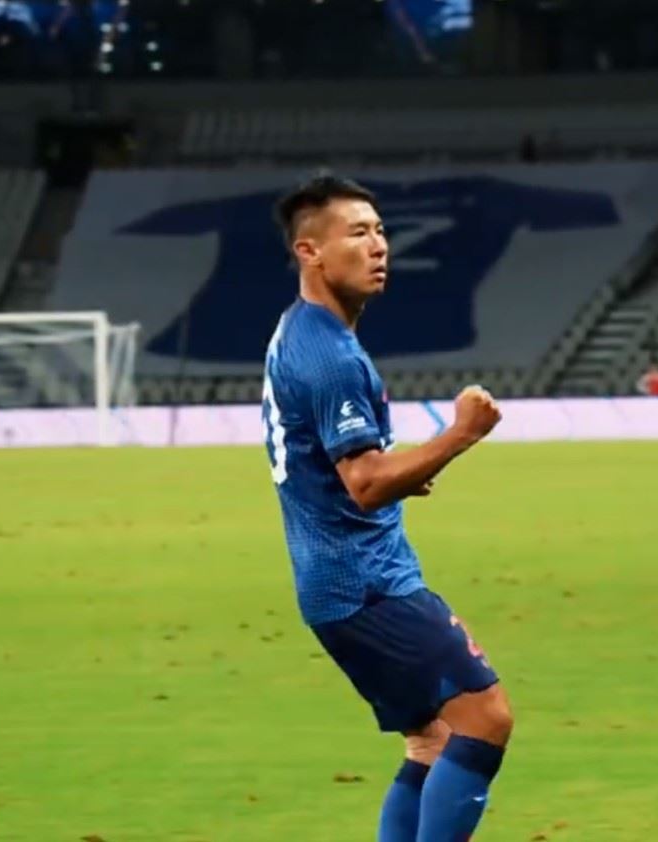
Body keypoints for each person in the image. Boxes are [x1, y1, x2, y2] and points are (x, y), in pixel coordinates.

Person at [261, 174, 513, 842]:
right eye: (357, 233)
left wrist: (408, 471)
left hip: (334, 580)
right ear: (310, 251)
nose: (378, 246)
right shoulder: (329, 356)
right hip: (366, 583)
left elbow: (345, 465)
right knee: (486, 717)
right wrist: (461, 434)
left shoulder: (301, 330)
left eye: (380, 231)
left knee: (432, 740)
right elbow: (366, 483)